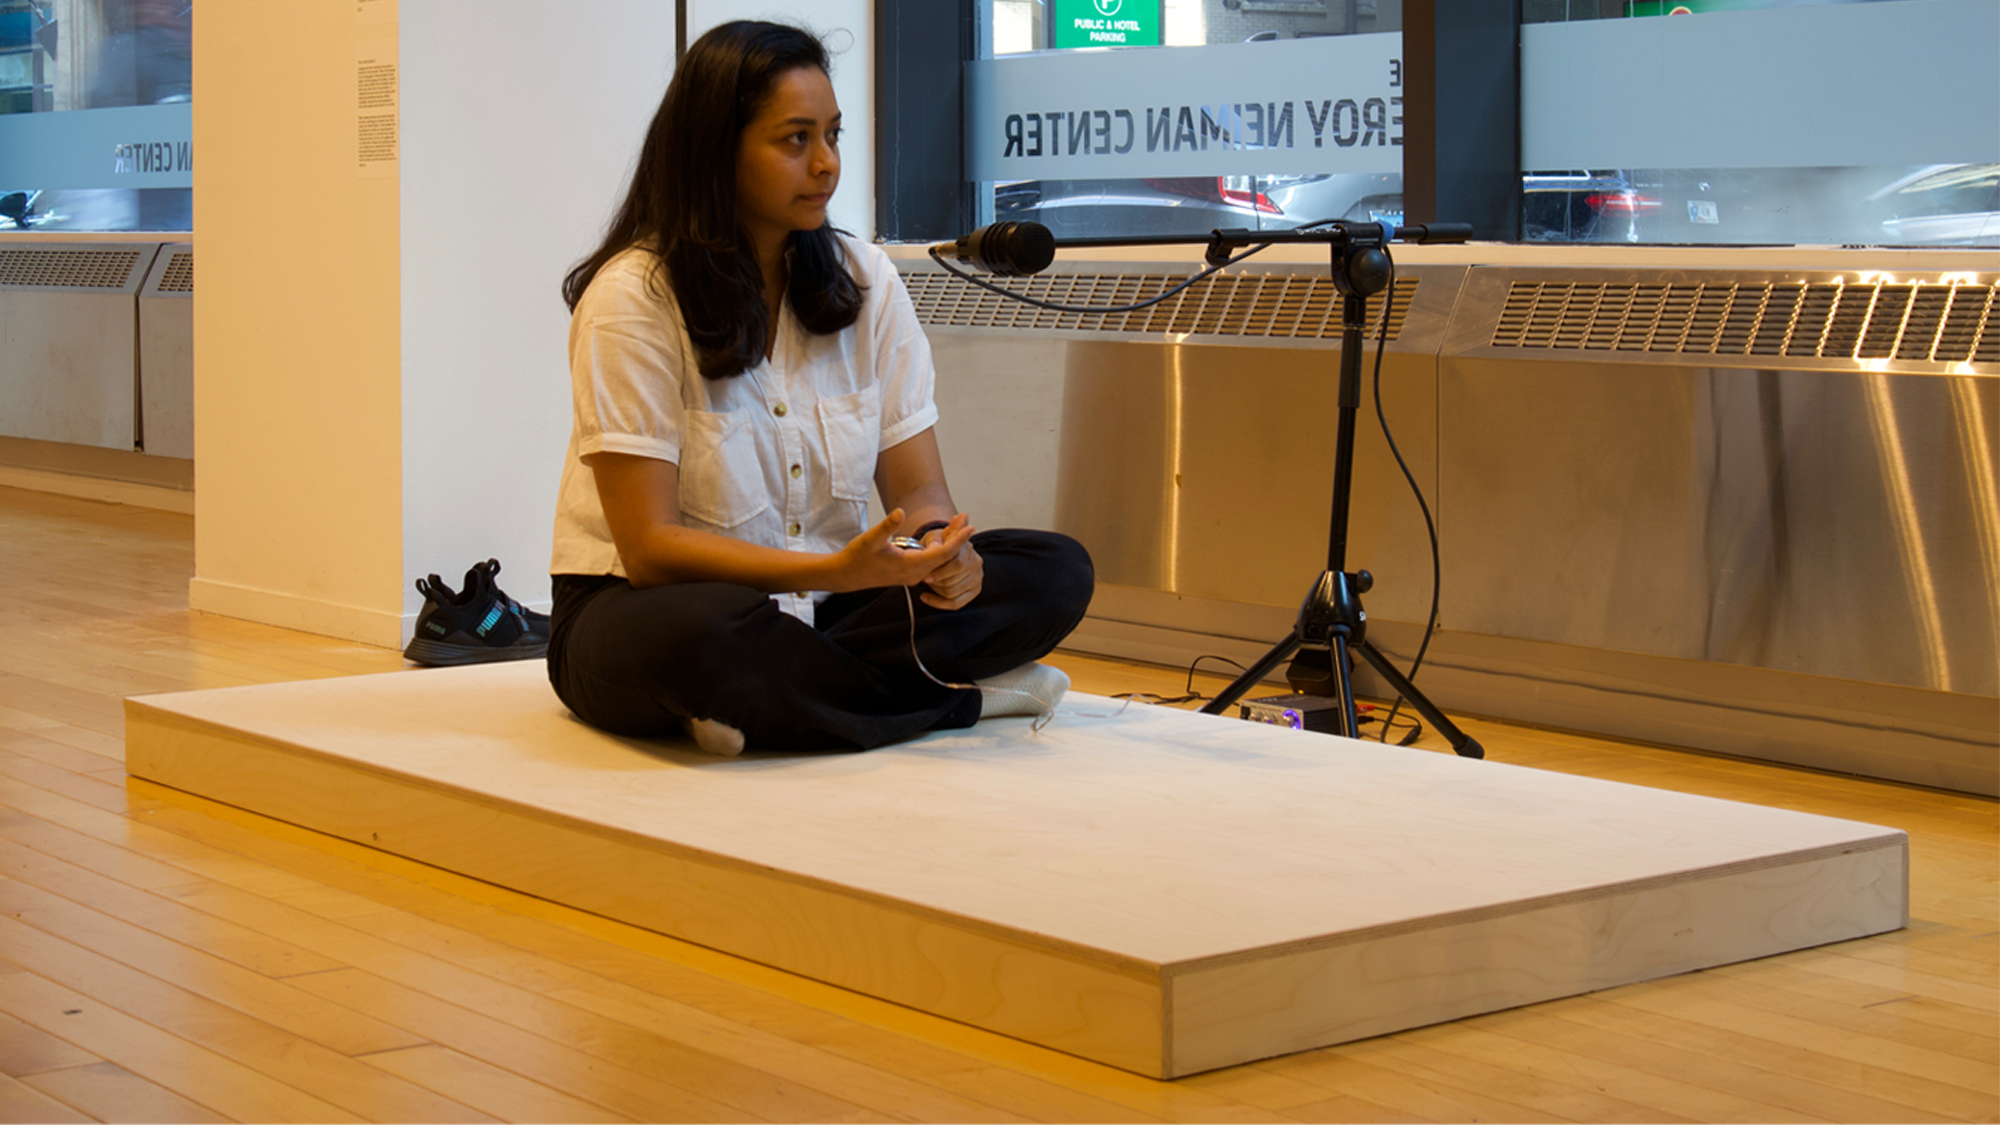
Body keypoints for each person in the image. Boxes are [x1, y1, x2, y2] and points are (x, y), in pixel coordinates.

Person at [547, 20, 1094, 756]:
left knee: (1053, 571)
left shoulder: (868, 281)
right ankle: (953, 702)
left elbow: (921, 490)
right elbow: (650, 549)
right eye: (795, 140)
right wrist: (832, 568)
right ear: (718, 150)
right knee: (709, 638)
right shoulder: (631, 298)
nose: (827, 165)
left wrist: (941, 550)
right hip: (646, 608)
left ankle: (776, 701)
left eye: (833, 135)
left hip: (828, 606)